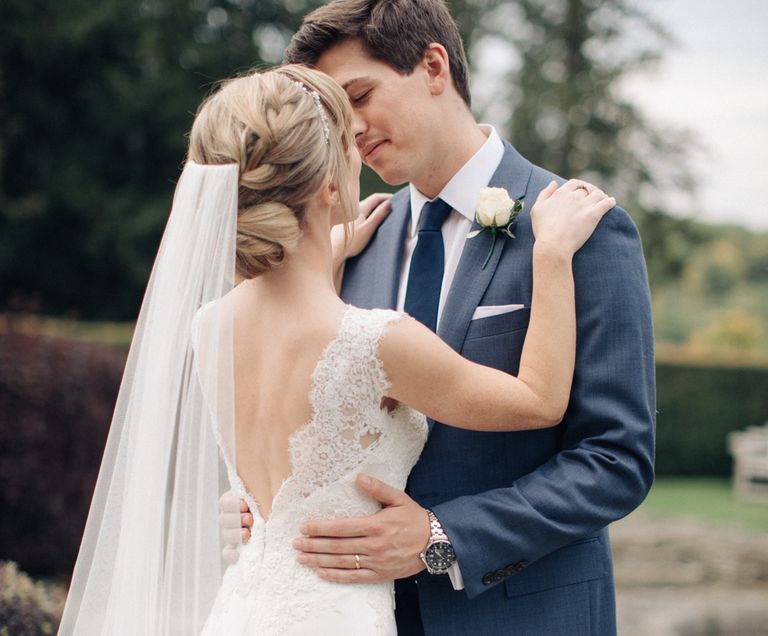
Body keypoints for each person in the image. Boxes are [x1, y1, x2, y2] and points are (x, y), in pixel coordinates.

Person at [58, 62, 613, 635]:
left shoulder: (209, 324)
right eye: (348, 144)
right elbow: (541, 400)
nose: (363, 153)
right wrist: (550, 256)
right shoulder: (373, 340)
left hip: (245, 611)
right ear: (326, 185)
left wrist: (327, 248)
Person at [248, 0, 654, 636]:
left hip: (526, 616)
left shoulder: (580, 229)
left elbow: (616, 458)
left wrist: (442, 536)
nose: (348, 131)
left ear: (433, 66)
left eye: (360, 95)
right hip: (359, 614)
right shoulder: (356, 244)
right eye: (331, 116)